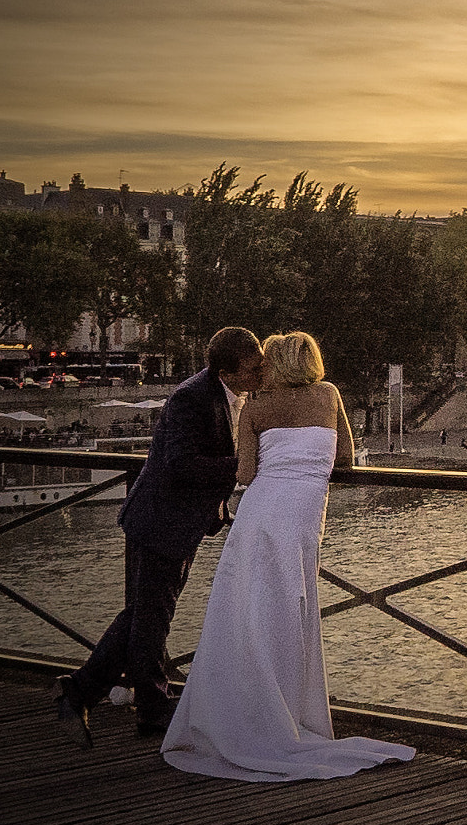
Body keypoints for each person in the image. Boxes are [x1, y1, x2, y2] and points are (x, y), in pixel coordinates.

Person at [161, 331, 414, 781]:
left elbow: (244, 473)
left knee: (244, 616)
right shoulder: (330, 395)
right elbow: (345, 461)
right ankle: (286, 712)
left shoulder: (256, 406)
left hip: (260, 516)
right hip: (302, 522)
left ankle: (245, 715)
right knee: (290, 615)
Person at [54, 327, 263, 746]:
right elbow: (181, 463)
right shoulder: (192, 397)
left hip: (175, 521)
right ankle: (139, 706)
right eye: (253, 367)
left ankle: (94, 693)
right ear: (228, 369)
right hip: (160, 520)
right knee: (152, 617)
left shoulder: (227, 393)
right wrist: (241, 466)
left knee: (144, 616)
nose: (260, 372)